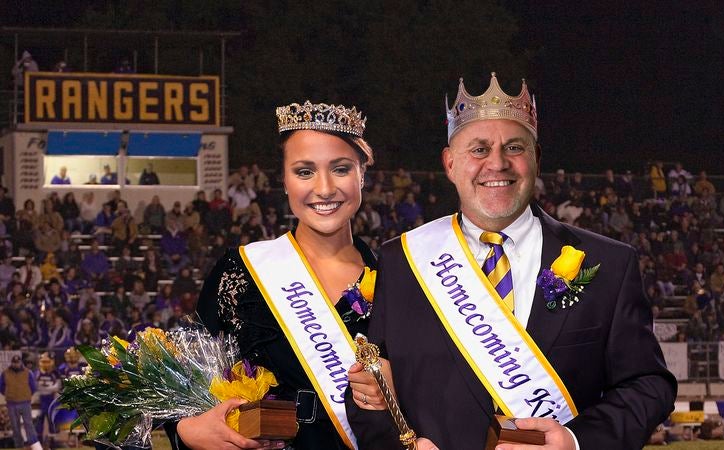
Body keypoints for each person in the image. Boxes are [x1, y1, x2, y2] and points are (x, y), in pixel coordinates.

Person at [347, 73, 676, 449]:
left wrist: (575, 441)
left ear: (535, 158)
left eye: (515, 148)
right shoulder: (401, 262)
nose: (497, 164)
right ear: (450, 164)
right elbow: (367, 392)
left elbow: (649, 385)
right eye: (479, 150)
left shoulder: (609, 264)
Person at [169, 100, 381, 450]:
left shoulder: (401, 279)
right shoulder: (238, 273)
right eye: (304, 171)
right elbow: (180, 380)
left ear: (363, 175)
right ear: (284, 181)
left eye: (341, 169)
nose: (324, 188)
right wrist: (188, 430)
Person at [0, 354, 43, 450]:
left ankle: (35, 446)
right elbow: (1, 387)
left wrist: (26, 395)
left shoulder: (28, 373)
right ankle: (19, 446)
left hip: (25, 403)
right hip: (11, 403)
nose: (16, 364)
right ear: (12, 363)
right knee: (15, 427)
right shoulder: (5, 373)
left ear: (20, 362)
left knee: (29, 425)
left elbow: (33, 387)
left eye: (17, 362)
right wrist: (9, 394)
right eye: (14, 363)